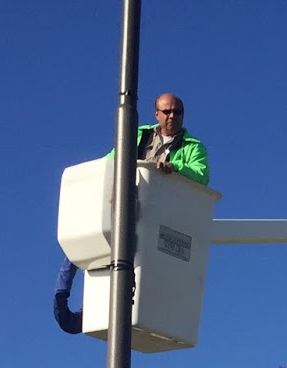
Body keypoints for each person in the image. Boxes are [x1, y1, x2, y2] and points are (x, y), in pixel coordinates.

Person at [54, 92, 210, 334]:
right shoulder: (140, 135)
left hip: (160, 209)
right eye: (166, 112)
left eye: (176, 112)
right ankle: (72, 298)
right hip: (124, 202)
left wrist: (175, 167)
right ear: (156, 114)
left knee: (134, 252)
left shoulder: (192, 146)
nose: (171, 116)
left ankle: (125, 298)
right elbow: (111, 161)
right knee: (87, 240)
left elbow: (201, 174)